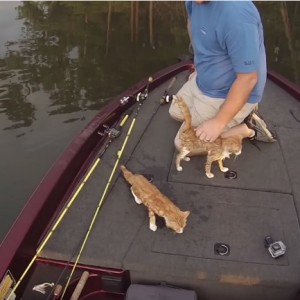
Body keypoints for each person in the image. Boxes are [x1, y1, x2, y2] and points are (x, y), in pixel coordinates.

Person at [169, 1, 276, 148]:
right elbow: (193, 25)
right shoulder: (192, 2)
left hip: (227, 92)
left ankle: (249, 129)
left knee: (183, 144)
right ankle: (238, 117)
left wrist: (218, 122)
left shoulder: (237, 14)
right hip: (204, 81)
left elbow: (248, 79)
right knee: (174, 112)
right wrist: (200, 68)